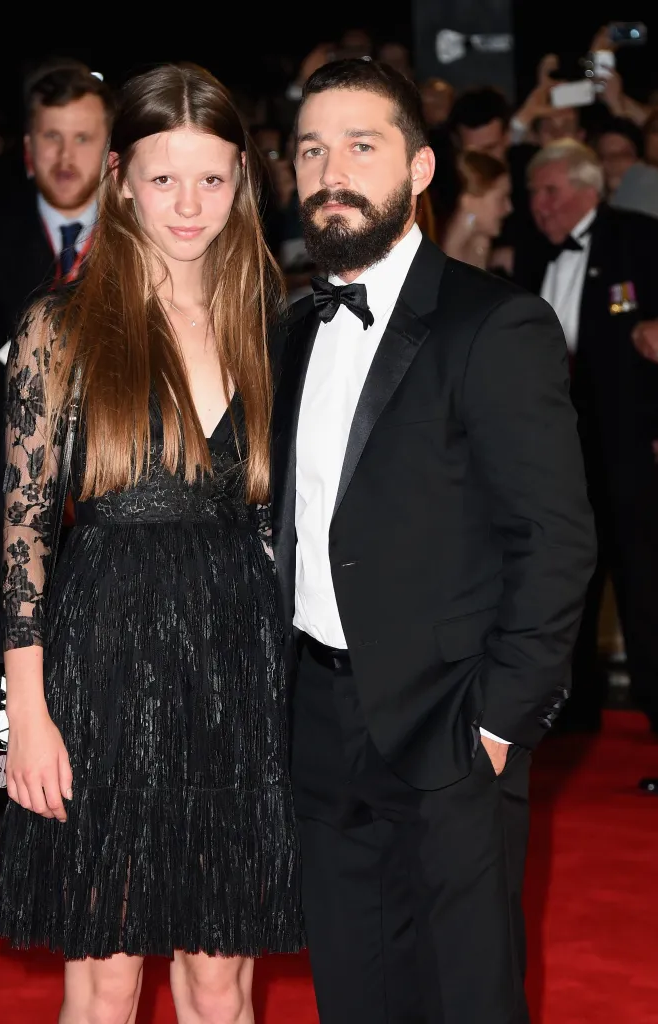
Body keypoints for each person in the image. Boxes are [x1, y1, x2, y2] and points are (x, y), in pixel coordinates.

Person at [270, 58, 595, 1024]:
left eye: (360, 146)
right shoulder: (289, 327)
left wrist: (498, 723)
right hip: (317, 719)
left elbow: (554, 542)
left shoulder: (495, 324)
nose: (332, 170)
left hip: (452, 724)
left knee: (464, 996)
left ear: (417, 168)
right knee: (352, 990)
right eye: (311, 149)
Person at [0, 63, 303, 1024]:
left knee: (220, 977)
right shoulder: (61, 326)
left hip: (239, 662)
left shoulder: (273, 325)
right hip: (102, 661)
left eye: (211, 177)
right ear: (120, 178)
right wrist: (27, 716)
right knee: (108, 964)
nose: (189, 203)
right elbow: (25, 533)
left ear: (242, 180)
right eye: (164, 177)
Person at [0, 62, 114, 942]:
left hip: (122, 527)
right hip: (6, 527)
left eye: (84, 136)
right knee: (6, 708)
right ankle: (15, 885)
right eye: (51, 137)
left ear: (110, 147)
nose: (67, 154)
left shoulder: (143, 234)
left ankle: (107, 878)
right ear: (26, 147)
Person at [517, 138, 658, 735]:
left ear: (587, 188)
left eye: (549, 191)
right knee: (564, 576)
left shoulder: (640, 238)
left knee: (644, 578)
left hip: (630, 444)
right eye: (531, 194)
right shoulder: (529, 256)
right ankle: (571, 718)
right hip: (557, 452)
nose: (538, 206)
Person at [440, 150, 512, 270]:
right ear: (469, 201)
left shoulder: (481, 244)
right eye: (501, 199)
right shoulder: (447, 259)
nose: (509, 208)